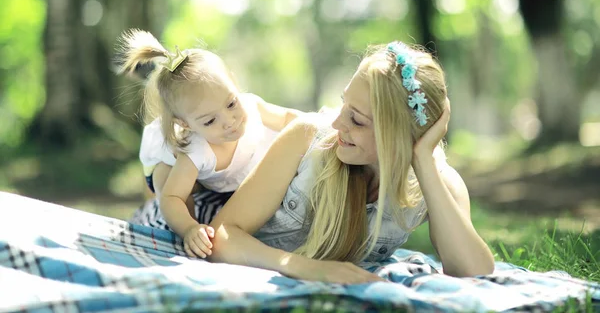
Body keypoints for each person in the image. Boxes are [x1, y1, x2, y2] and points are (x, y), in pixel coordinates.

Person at [207, 41, 495, 283]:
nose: (336, 121)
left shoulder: (436, 181)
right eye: (344, 104)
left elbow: (474, 274)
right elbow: (221, 237)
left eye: (356, 119)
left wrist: (421, 160)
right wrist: (306, 268)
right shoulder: (308, 138)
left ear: (396, 136)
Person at [116, 29, 303, 259]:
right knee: (174, 189)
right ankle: (166, 227)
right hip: (168, 161)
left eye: (231, 104)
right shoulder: (196, 148)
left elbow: (290, 119)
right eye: (210, 120)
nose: (229, 121)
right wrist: (189, 228)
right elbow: (171, 198)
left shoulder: (252, 106)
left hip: (239, 179)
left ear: (234, 83)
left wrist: (319, 124)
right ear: (186, 124)